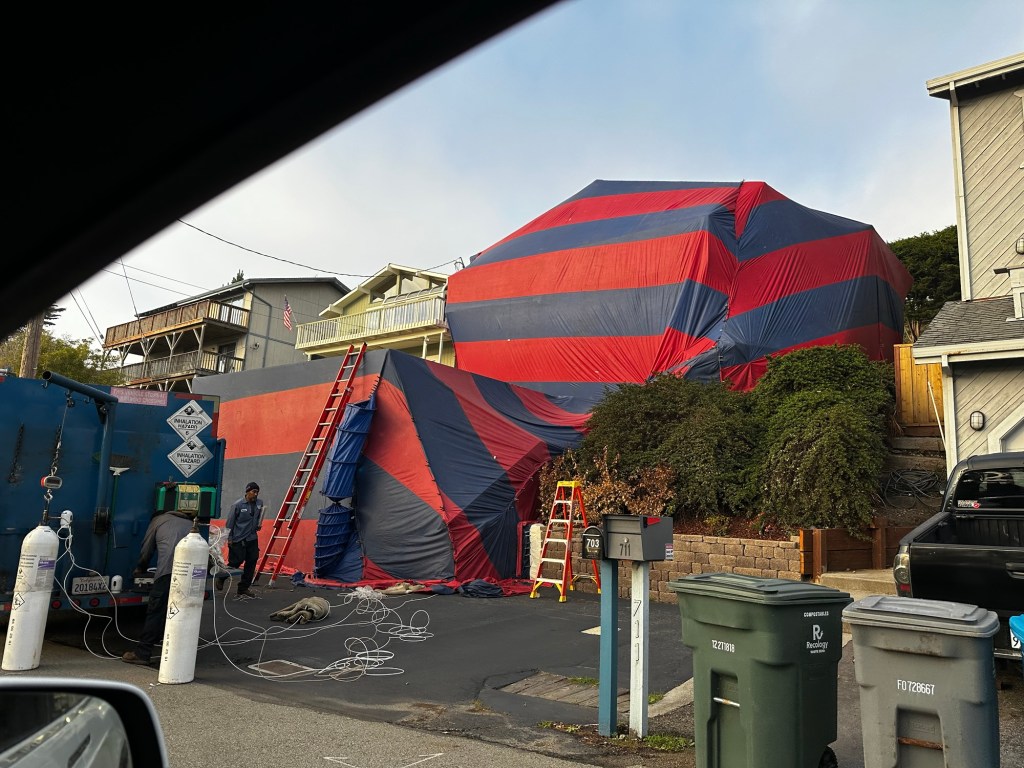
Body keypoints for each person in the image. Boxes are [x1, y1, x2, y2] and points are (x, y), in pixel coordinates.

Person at [122, 508, 197, 665]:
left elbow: (147, 549)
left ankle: (143, 653)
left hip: (167, 573)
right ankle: (178, 656)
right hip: (191, 575)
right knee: (182, 613)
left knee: (156, 612)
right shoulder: (190, 523)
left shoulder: (158, 521)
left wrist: (140, 569)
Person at [216, 481, 265, 598]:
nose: (256, 494)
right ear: (247, 492)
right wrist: (230, 538)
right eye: (254, 492)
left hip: (252, 538)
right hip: (238, 539)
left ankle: (243, 588)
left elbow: (258, 517)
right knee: (235, 562)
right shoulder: (237, 505)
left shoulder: (259, 503)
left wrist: (258, 525)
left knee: (252, 561)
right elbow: (230, 523)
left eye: (257, 492)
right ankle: (222, 577)